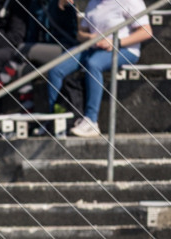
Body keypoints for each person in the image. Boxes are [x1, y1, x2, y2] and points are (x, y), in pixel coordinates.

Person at [46, 0, 152, 137]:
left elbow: (146, 31)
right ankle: (54, 120)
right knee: (56, 69)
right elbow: (80, 34)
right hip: (94, 48)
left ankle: (91, 121)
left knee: (93, 64)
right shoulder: (93, 3)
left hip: (124, 49)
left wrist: (116, 42)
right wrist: (90, 37)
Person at [22, 0, 84, 120]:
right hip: (46, 50)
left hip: (65, 48)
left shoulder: (63, 3)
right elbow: (32, 35)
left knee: (22, 51)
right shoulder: (36, 4)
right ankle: (28, 115)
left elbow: (73, 31)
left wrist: (60, 6)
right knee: (23, 69)